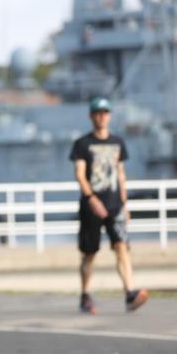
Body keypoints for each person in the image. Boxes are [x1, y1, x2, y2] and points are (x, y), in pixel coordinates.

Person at [69, 98, 147, 314]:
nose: (101, 116)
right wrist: (92, 199)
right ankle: (85, 295)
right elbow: (79, 175)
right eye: (97, 112)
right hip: (91, 206)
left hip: (114, 205)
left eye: (105, 112)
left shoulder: (118, 142)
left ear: (110, 115)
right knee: (89, 254)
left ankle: (130, 293)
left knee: (122, 247)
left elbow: (121, 175)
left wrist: (124, 204)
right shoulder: (82, 144)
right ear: (91, 116)